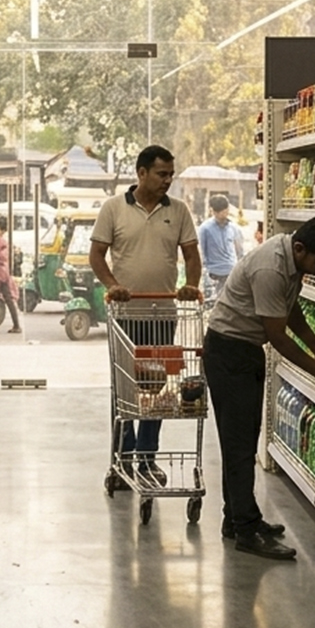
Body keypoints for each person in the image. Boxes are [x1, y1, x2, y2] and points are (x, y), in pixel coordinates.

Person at [205, 216, 315, 560]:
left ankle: (236, 517)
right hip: (230, 352)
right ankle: (246, 529)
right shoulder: (270, 267)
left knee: (242, 440)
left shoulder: (291, 262)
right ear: (300, 248)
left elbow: (289, 307)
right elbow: (277, 337)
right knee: (240, 445)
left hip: (243, 351)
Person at [90, 145, 203, 486]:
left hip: (163, 315)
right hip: (126, 316)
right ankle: (122, 461)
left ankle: (147, 459)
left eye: (170, 174)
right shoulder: (113, 209)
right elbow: (96, 255)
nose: (168, 180)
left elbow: (192, 256)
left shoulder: (179, 211)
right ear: (141, 173)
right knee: (125, 392)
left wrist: (191, 285)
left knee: (156, 392)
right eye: (161, 174)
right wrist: (113, 284)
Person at [197, 194, 246, 303]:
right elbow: (202, 253)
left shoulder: (234, 228)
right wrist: (205, 273)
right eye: (219, 212)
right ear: (213, 211)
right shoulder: (205, 229)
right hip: (213, 273)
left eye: (225, 211)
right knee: (213, 305)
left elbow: (240, 251)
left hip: (231, 272)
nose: (223, 215)